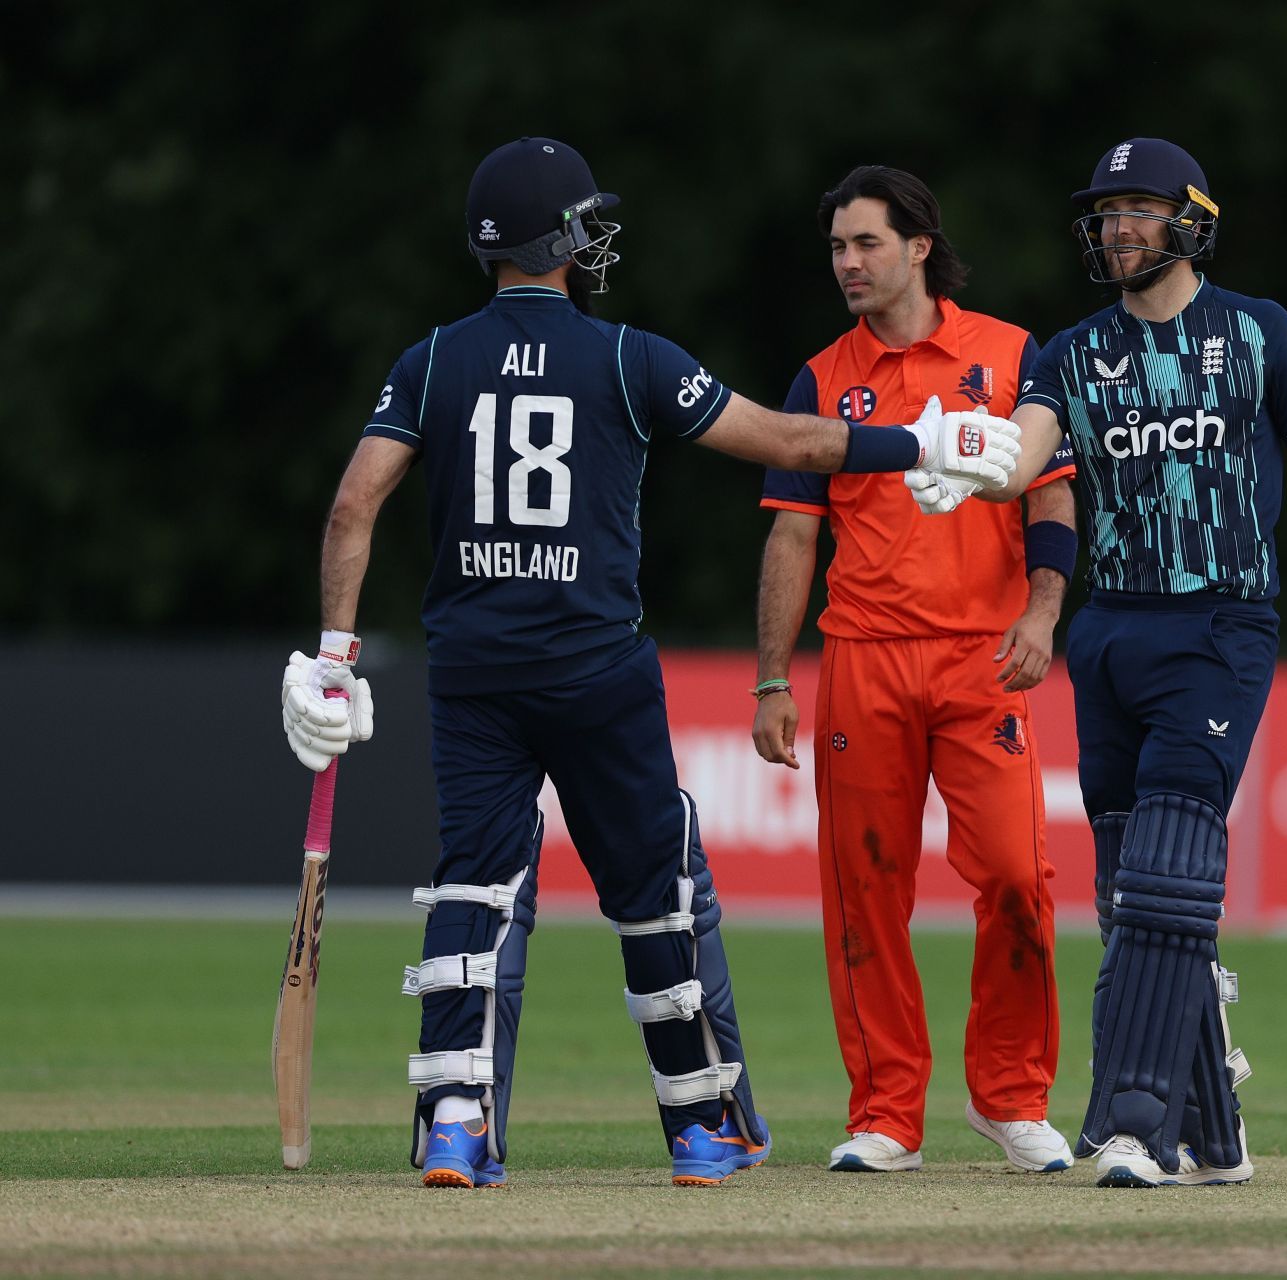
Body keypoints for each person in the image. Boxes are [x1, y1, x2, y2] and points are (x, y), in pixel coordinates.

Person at [275, 137, 1019, 1189]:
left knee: (474, 885)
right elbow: (792, 443)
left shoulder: (430, 358)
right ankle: (702, 1126)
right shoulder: (630, 356)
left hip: (473, 668)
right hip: (596, 668)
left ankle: (455, 1122)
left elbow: (355, 503)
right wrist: (924, 446)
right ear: (564, 240)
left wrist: (337, 656)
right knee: (654, 885)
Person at [907, 138, 1287, 1187]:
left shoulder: (1258, 331)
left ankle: (1136, 1121)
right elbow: (1026, 451)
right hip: (1110, 633)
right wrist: (963, 457)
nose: (1116, 228)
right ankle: (1216, 1134)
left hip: (1220, 624)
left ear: (1191, 221)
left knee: (1166, 871)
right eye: (1105, 213)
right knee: (1133, 895)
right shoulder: (1068, 351)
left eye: (1138, 209)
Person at [752, 166, 1080, 1175]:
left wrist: (1042, 609)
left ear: (919, 245)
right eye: (839, 248)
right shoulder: (818, 375)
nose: (849, 263)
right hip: (864, 659)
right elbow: (792, 538)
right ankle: (888, 1111)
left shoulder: (1010, 354)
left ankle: (1010, 1095)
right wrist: (774, 675)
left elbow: (1053, 499)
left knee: (1021, 878)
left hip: (986, 659)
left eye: (867, 244)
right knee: (865, 892)